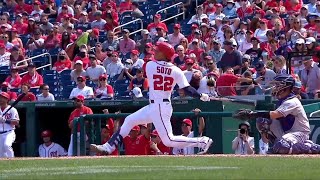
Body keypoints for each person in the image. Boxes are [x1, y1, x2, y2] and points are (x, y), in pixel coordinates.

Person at [90, 42, 213, 155]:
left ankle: (202, 141)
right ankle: (108, 147)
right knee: (129, 120)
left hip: (159, 107)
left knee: (169, 140)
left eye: (158, 50)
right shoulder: (176, 70)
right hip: (157, 106)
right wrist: (200, 95)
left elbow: (158, 69)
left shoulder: (150, 65)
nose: (155, 51)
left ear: (164, 54)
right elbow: (187, 89)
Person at [234, 74, 320, 154]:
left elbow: (275, 114)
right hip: (286, 133)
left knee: (282, 145)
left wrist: (253, 114)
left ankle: (310, 147)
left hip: (300, 133)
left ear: (286, 87)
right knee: (262, 121)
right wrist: (255, 115)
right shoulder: (282, 101)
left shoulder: (292, 101)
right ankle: (276, 145)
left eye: (278, 85)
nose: (275, 88)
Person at [0, 92, 20, 158]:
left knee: (7, 145)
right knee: (1, 153)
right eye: (0, 97)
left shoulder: (12, 110)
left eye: (3, 98)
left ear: (7, 99)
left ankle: (12, 161)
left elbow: (17, 122)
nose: (1, 99)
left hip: (9, 132)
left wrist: (5, 120)